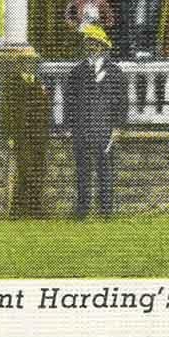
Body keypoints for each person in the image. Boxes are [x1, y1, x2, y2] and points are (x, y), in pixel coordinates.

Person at [65, 25, 126, 219]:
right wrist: (69, 126)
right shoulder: (77, 72)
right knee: (82, 170)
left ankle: (106, 209)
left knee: (104, 169)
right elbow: (70, 100)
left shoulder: (116, 73)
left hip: (105, 127)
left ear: (103, 46)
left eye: (95, 43)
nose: (91, 46)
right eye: (88, 43)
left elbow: (121, 102)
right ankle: (82, 209)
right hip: (82, 127)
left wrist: (117, 127)